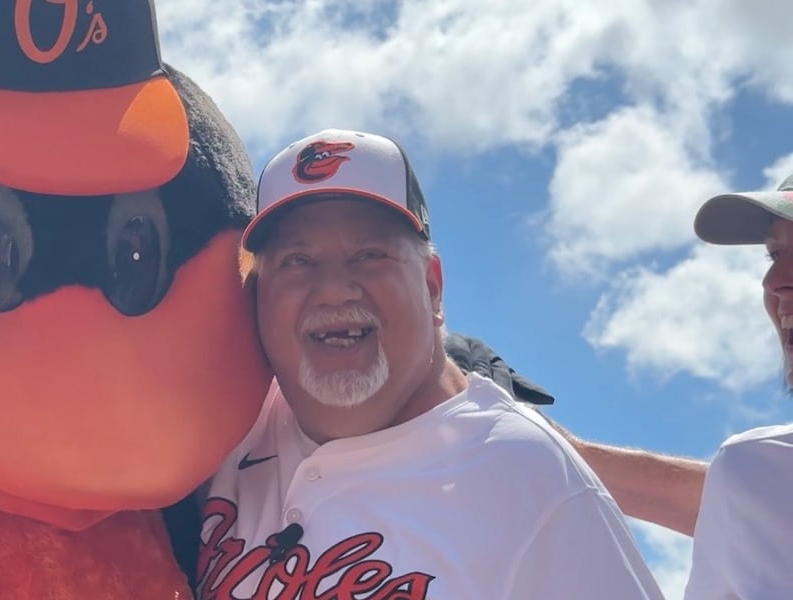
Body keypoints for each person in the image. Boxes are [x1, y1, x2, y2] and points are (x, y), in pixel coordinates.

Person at [195, 128, 664, 599]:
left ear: (432, 288)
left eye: (369, 255)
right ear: (256, 294)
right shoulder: (223, 424)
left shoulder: (529, 478)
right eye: (297, 261)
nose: (334, 289)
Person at [562, 173, 793, 599]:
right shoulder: (754, 472)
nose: (774, 282)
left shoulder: (756, 470)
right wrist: (538, 440)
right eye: (775, 253)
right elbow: (755, 494)